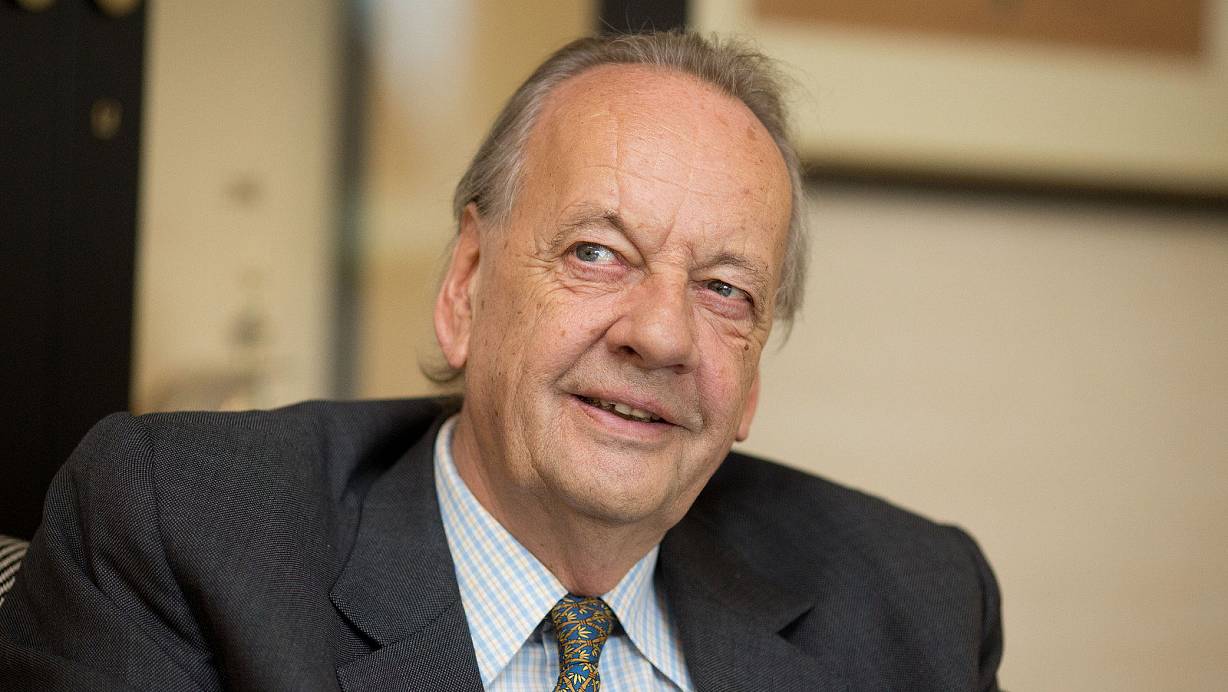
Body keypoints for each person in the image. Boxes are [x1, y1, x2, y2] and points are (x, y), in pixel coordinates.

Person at [0, 32, 1002, 691]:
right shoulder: (181, 530)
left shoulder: (914, 605)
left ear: (750, 382)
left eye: (725, 290)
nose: (660, 334)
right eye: (596, 252)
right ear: (465, 286)